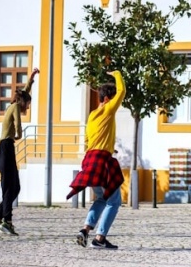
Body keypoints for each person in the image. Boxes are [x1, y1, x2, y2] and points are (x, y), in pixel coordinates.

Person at [67, 70, 126, 249]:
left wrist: (107, 147)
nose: (117, 102)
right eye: (113, 98)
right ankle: (99, 238)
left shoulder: (92, 115)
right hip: (101, 162)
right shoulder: (108, 110)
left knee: (102, 198)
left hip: (89, 160)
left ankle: (85, 230)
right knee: (115, 200)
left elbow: (88, 141)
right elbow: (122, 91)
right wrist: (117, 74)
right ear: (107, 99)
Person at [0, 67, 39, 235]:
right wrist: (19, 135)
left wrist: (31, 79)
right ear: (24, 102)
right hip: (6, 147)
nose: (28, 107)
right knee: (11, 186)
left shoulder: (14, 104)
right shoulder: (16, 107)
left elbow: (24, 92)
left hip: (4, 148)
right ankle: (7, 221)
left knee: (12, 186)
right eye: (29, 104)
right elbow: (18, 125)